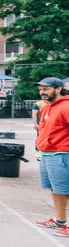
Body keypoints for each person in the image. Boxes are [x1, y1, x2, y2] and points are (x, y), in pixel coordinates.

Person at [35, 77, 69, 236]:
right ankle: (61, 220)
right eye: (41, 89)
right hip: (47, 153)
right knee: (56, 189)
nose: (42, 92)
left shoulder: (66, 106)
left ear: (58, 89)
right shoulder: (46, 107)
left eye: (46, 89)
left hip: (62, 153)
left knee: (66, 190)